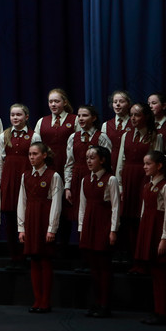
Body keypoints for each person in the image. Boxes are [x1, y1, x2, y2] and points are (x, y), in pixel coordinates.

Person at [115, 102, 162, 269]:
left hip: (144, 179)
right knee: (127, 220)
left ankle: (143, 260)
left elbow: (157, 164)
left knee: (141, 219)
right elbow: (121, 162)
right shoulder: (126, 136)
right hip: (128, 179)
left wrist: (152, 184)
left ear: (146, 117)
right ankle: (130, 258)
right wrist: (119, 186)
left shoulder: (155, 137)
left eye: (137, 115)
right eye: (132, 115)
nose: (133, 118)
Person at [18, 142, 62, 313]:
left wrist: (52, 228)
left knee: (45, 259)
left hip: (44, 219)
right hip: (31, 219)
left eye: (35, 154)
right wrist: (21, 228)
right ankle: (36, 299)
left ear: (44, 155)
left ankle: (45, 300)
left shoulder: (53, 176)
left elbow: (56, 204)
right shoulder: (26, 176)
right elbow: (22, 202)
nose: (32, 157)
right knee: (34, 260)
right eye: (30, 154)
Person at [134, 150, 166, 325]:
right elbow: (144, 211)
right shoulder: (147, 185)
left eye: (148, 164)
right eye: (144, 163)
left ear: (159, 166)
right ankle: (157, 311)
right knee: (154, 274)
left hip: (159, 230)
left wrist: (164, 238)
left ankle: (164, 313)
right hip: (148, 228)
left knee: (162, 274)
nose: (145, 167)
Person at [78, 145, 120, 318]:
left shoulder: (111, 180)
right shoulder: (85, 180)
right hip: (90, 224)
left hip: (103, 223)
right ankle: (96, 302)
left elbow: (116, 206)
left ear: (102, 160)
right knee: (93, 267)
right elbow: (82, 206)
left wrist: (113, 230)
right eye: (87, 157)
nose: (89, 161)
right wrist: (81, 229)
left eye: (92, 157)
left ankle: (105, 304)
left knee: (104, 266)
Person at [64, 105, 112, 245]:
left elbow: (108, 162)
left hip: (96, 179)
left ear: (94, 118)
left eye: (84, 115)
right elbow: (69, 163)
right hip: (78, 179)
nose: (80, 118)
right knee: (80, 214)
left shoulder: (101, 137)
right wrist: (67, 187)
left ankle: (96, 248)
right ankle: (83, 251)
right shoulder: (73, 137)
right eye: (79, 116)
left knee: (94, 213)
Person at [0, 103, 33, 270]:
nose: (15, 118)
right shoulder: (4, 136)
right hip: (9, 180)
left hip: (25, 181)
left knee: (25, 218)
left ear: (26, 117)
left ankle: (25, 256)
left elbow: (36, 159)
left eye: (19, 115)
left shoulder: (34, 136)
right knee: (10, 219)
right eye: (12, 115)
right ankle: (14, 256)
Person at [101, 90, 132, 174]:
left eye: (121, 101)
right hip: (110, 165)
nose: (117, 104)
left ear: (128, 104)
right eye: (115, 102)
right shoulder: (106, 125)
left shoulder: (134, 123)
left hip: (128, 164)